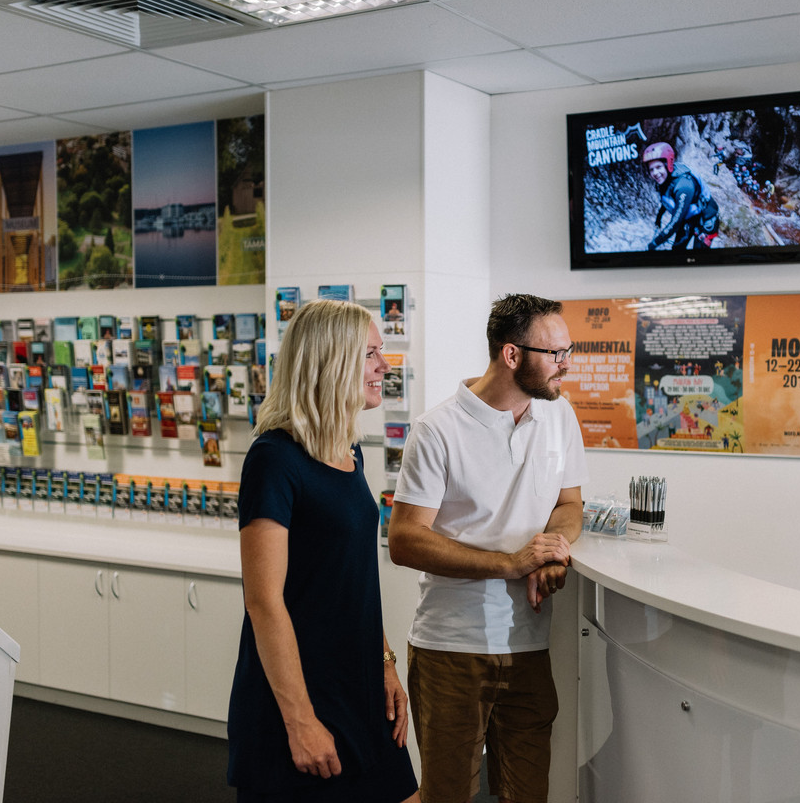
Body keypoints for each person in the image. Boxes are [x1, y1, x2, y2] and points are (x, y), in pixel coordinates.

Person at [388, 293, 588, 803]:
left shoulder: (559, 415)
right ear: (511, 354)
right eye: (556, 353)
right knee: (446, 796)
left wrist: (554, 548)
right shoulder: (437, 429)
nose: (566, 364)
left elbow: (570, 504)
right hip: (451, 648)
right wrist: (510, 564)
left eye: (568, 351)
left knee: (527, 795)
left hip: (528, 645)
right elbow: (405, 539)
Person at [227, 299, 420, 803]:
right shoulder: (274, 459)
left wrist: (384, 662)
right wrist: (300, 721)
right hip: (301, 695)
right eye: (370, 354)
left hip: (359, 685)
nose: (384, 366)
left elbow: (351, 580)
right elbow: (263, 601)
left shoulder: (348, 452)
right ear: (330, 361)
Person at [642, 141, 720, 250]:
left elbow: (676, 222)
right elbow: (667, 200)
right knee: (677, 250)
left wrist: (653, 244)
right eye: (651, 169)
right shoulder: (666, 179)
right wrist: (659, 218)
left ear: (667, 164)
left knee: (700, 255)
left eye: (658, 167)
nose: (655, 173)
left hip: (706, 220)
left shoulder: (683, 186)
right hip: (689, 217)